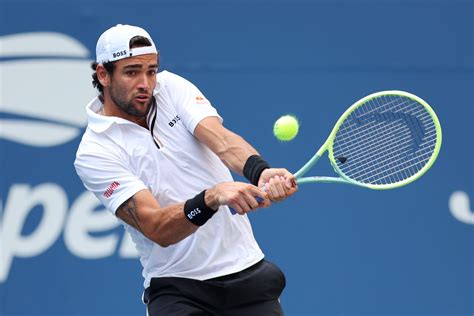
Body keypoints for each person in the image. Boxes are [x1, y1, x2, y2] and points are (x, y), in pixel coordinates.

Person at [74, 24, 298, 316]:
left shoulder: (172, 88)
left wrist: (259, 172)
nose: (145, 83)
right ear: (103, 74)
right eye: (131, 72)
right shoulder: (95, 152)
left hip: (247, 276)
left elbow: (223, 141)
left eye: (151, 70)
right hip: (178, 290)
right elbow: (157, 227)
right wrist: (211, 197)